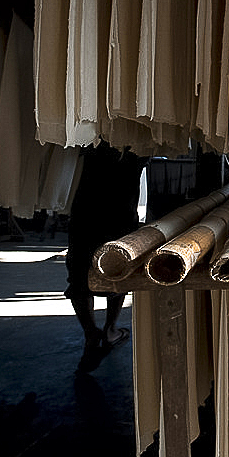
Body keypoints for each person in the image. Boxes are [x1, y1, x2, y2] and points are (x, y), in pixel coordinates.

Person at [66, 142, 146, 373]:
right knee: (118, 265)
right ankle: (110, 329)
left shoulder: (95, 135)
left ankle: (91, 332)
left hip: (87, 204)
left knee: (80, 268)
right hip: (120, 204)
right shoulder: (134, 140)